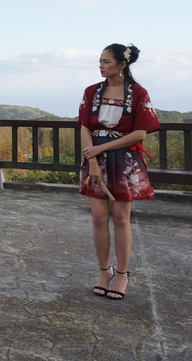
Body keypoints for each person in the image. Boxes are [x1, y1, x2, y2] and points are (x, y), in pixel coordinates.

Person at [79, 44, 160, 300]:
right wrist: (92, 159)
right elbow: (84, 126)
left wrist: (103, 148)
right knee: (99, 218)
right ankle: (105, 272)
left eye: (106, 61)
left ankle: (123, 274)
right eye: (99, 61)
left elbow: (139, 133)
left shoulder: (138, 93)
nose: (101, 66)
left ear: (122, 64)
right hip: (95, 158)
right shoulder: (92, 91)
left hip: (123, 157)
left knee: (121, 218)